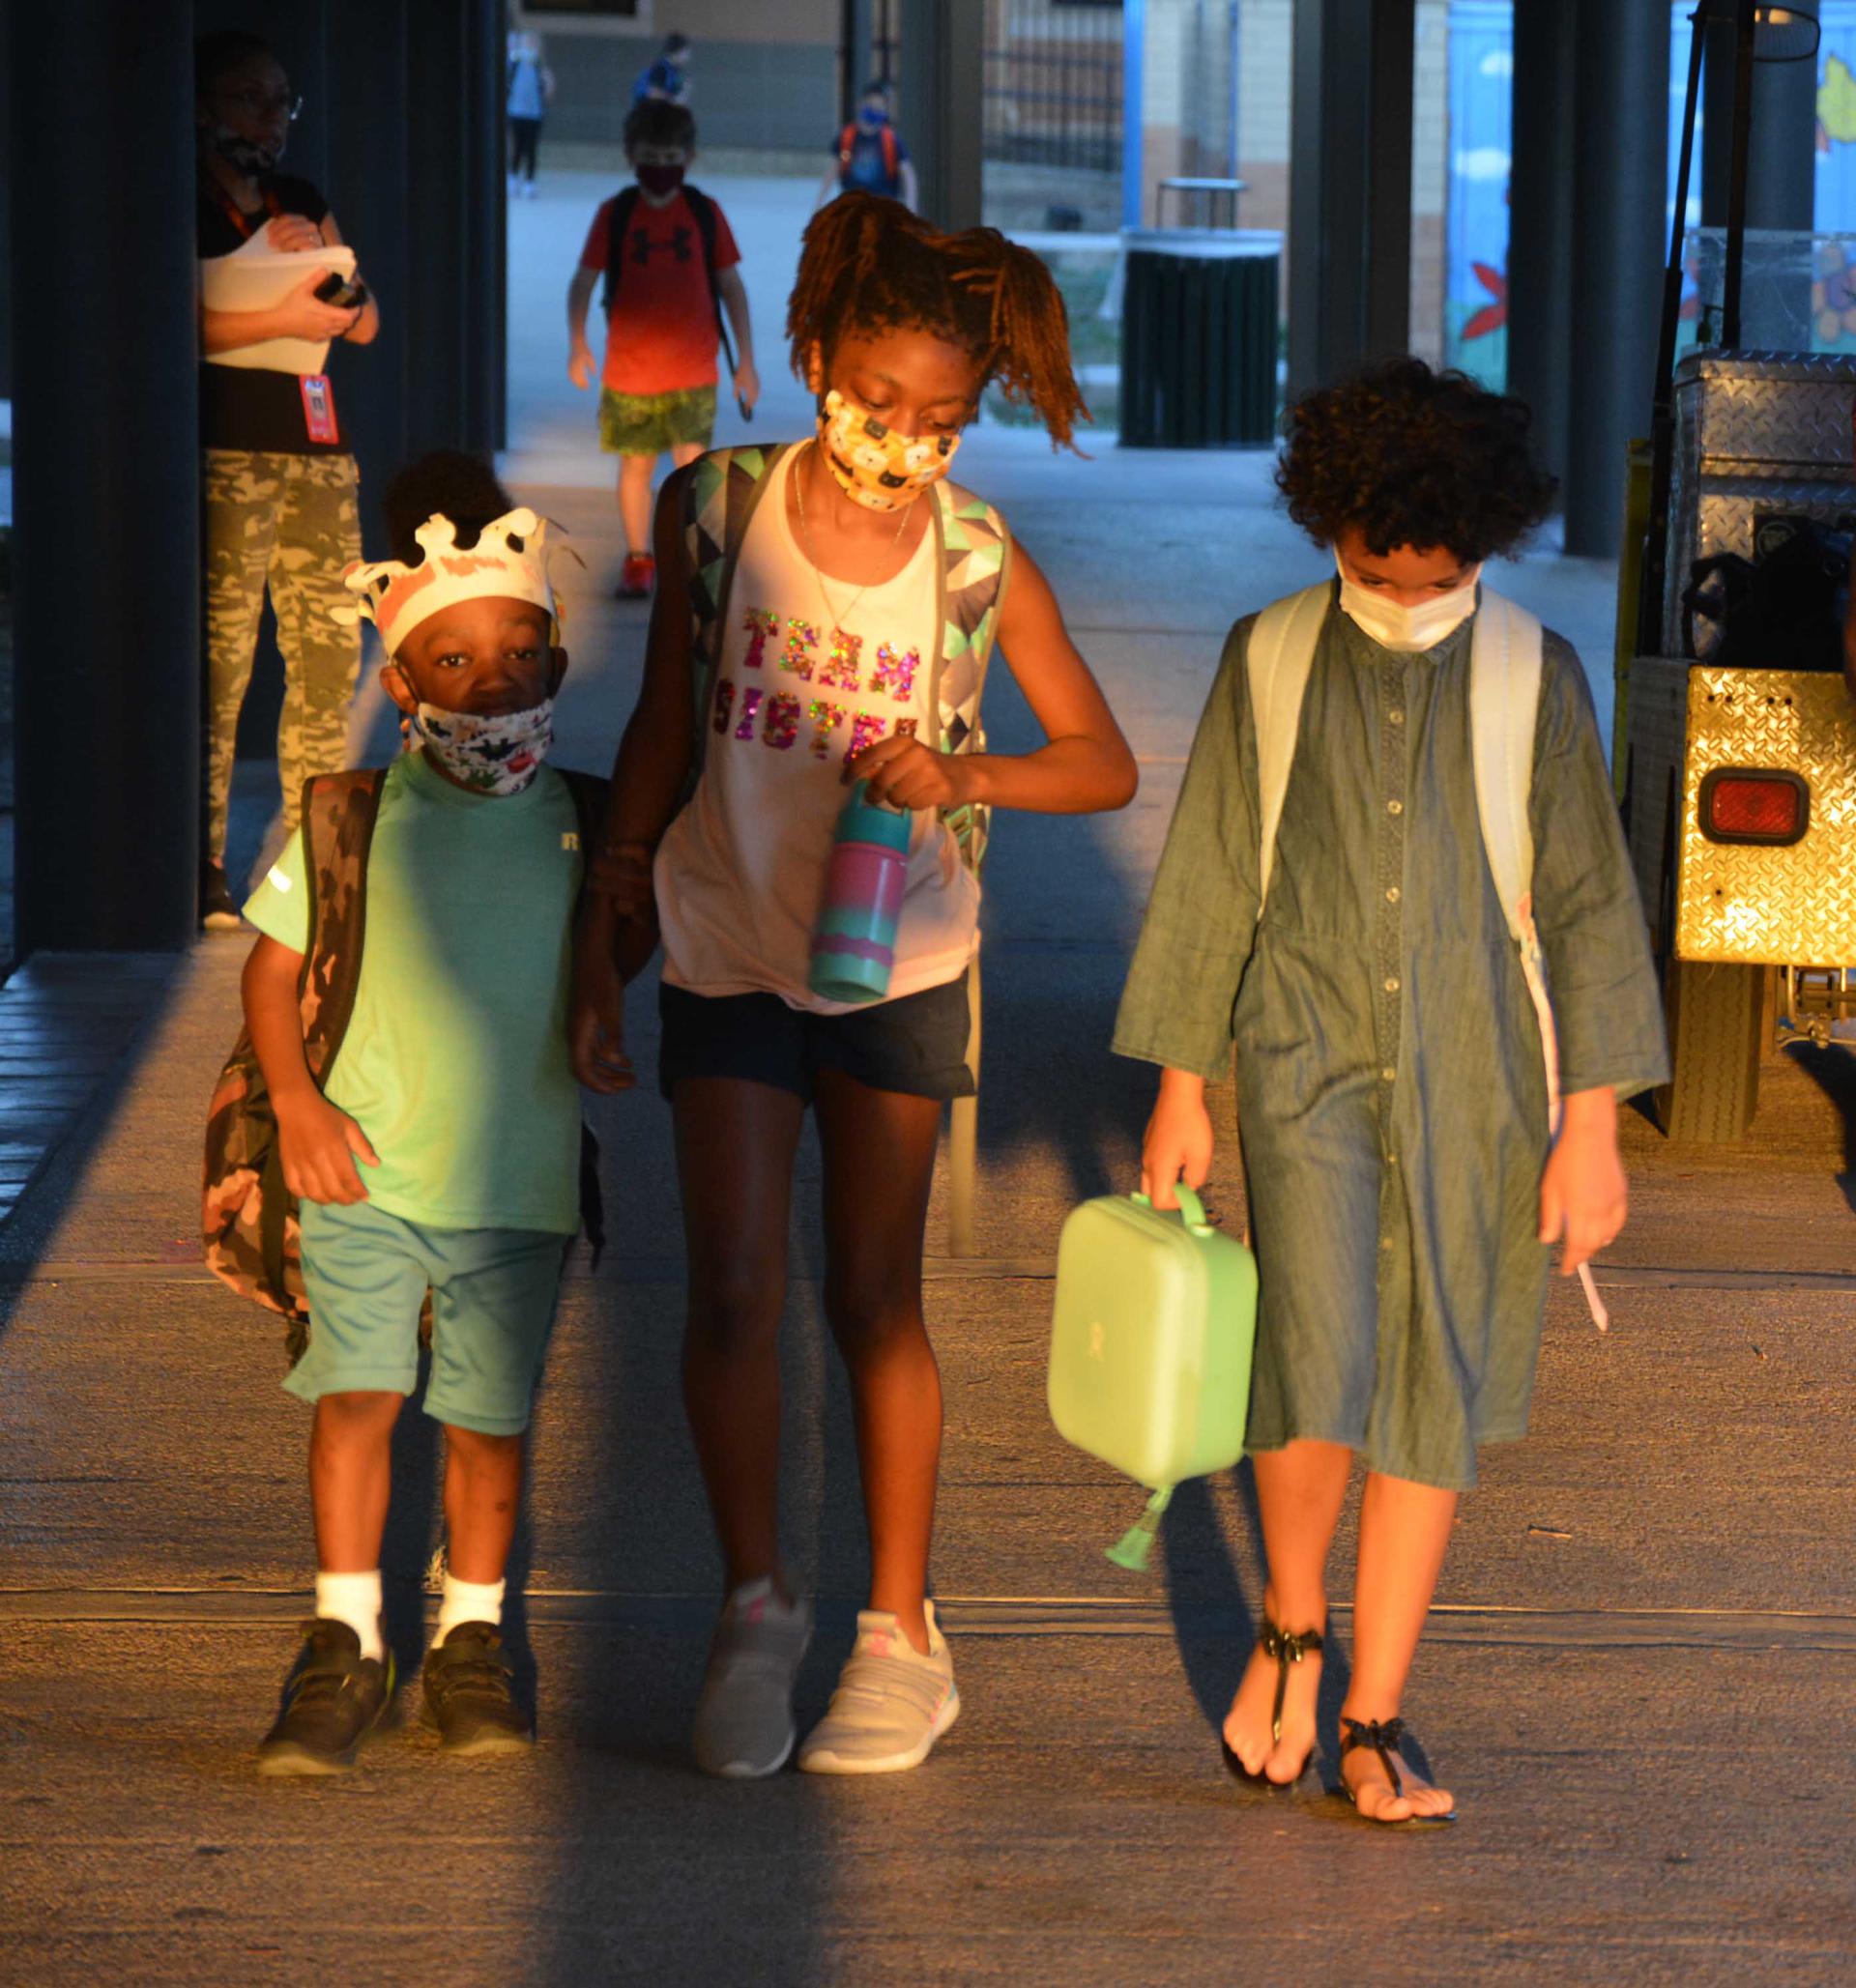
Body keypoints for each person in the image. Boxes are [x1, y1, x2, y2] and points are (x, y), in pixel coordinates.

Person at [571, 193, 1140, 1780]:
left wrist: (966, 771)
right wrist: (606, 936)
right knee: (734, 1286)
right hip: (726, 940)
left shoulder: (974, 558)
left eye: (942, 419)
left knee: (874, 1294)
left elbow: (1101, 762)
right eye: (877, 400)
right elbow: (664, 730)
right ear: (815, 357)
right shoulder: (716, 505)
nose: (903, 440)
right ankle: (754, 1608)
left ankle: (902, 1637)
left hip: (902, 958)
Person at [1115, 359, 1668, 1822]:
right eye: (1378, 575)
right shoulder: (1270, 656)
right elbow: (1212, 874)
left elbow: (1591, 906)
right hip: (1298, 1055)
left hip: (1482, 1076)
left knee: (1438, 1377)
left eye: (1441, 580)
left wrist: (1592, 1127)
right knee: (1312, 1355)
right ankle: (1293, 1630)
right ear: (1329, 531)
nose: (1410, 601)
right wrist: (1182, 1086)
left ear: (1485, 547)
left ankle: (1375, 1710)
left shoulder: (1537, 675)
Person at [240, 452, 624, 1774]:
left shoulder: (584, 825)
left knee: (485, 1424)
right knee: (356, 1400)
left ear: (555, 666)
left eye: (520, 654)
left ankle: (471, 1635)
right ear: (400, 685)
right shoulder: (352, 819)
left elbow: (607, 962)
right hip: (362, 1174)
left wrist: (602, 1018)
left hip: (516, 1189)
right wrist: (298, 1106)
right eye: (451, 662)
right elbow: (272, 968)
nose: (492, 683)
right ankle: (345, 1636)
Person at [195, 29, 380, 934]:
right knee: (220, 663)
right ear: (203, 107)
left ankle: (314, 853)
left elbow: (365, 321)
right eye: (251, 98)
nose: (271, 120)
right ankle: (202, 859)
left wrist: (325, 271)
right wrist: (278, 308)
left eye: (283, 102)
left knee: (328, 657)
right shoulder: (183, 200)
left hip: (318, 454)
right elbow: (177, 326)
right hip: (226, 453)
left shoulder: (301, 198)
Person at [566, 99, 758, 601]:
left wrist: (747, 363)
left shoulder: (704, 213)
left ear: (689, 158)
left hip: (694, 370)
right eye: (651, 157)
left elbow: (732, 287)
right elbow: (583, 281)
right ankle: (638, 557)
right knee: (635, 466)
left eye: (671, 157)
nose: (661, 168)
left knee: (691, 469)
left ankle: (687, 556)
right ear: (631, 155)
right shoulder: (615, 215)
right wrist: (578, 343)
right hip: (629, 373)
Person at [817, 81, 916, 212]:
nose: (874, 110)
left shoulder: (890, 140)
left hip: (884, 209)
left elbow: (908, 175)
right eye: (871, 105)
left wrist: (911, 205)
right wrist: (820, 203)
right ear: (861, 105)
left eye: (879, 107)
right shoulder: (846, 137)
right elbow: (832, 171)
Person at [507, 30, 555, 199]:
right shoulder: (513, 63)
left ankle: (529, 182)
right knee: (517, 147)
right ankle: (513, 178)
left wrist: (547, 84)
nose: (530, 46)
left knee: (531, 149)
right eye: (527, 42)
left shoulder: (540, 66)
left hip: (534, 115)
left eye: (533, 43)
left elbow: (548, 92)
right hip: (516, 112)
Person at [633, 31, 691, 105]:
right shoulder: (660, 69)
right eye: (685, 53)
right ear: (676, 52)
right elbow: (654, 94)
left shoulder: (673, 71)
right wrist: (675, 99)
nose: (687, 57)